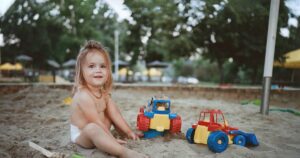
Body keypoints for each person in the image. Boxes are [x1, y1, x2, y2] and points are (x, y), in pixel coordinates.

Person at [70, 40, 147, 158]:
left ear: (108, 70)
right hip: (83, 135)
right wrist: (112, 140)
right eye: (91, 66)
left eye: (103, 66)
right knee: (92, 128)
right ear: (82, 72)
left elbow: (116, 115)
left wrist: (128, 132)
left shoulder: (104, 94)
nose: (98, 70)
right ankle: (123, 152)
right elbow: (94, 121)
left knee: (111, 110)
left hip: (101, 130)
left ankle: (122, 135)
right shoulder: (83, 96)